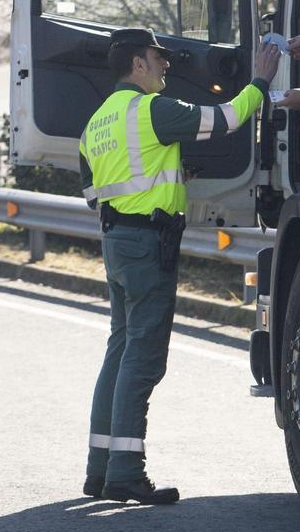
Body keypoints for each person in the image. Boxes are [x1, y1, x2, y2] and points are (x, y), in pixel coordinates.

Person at [78, 27, 280, 504]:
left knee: (120, 351)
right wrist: (260, 81)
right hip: (148, 246)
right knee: (143, 358)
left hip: (117, 242)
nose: (166, 64)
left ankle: (99, 469)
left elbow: (95, 193)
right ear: (138, 64)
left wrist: (167, 179)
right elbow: (226, 118)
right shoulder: (151, 110)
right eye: (158, 57)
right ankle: (125, 472)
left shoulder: (96, 123)